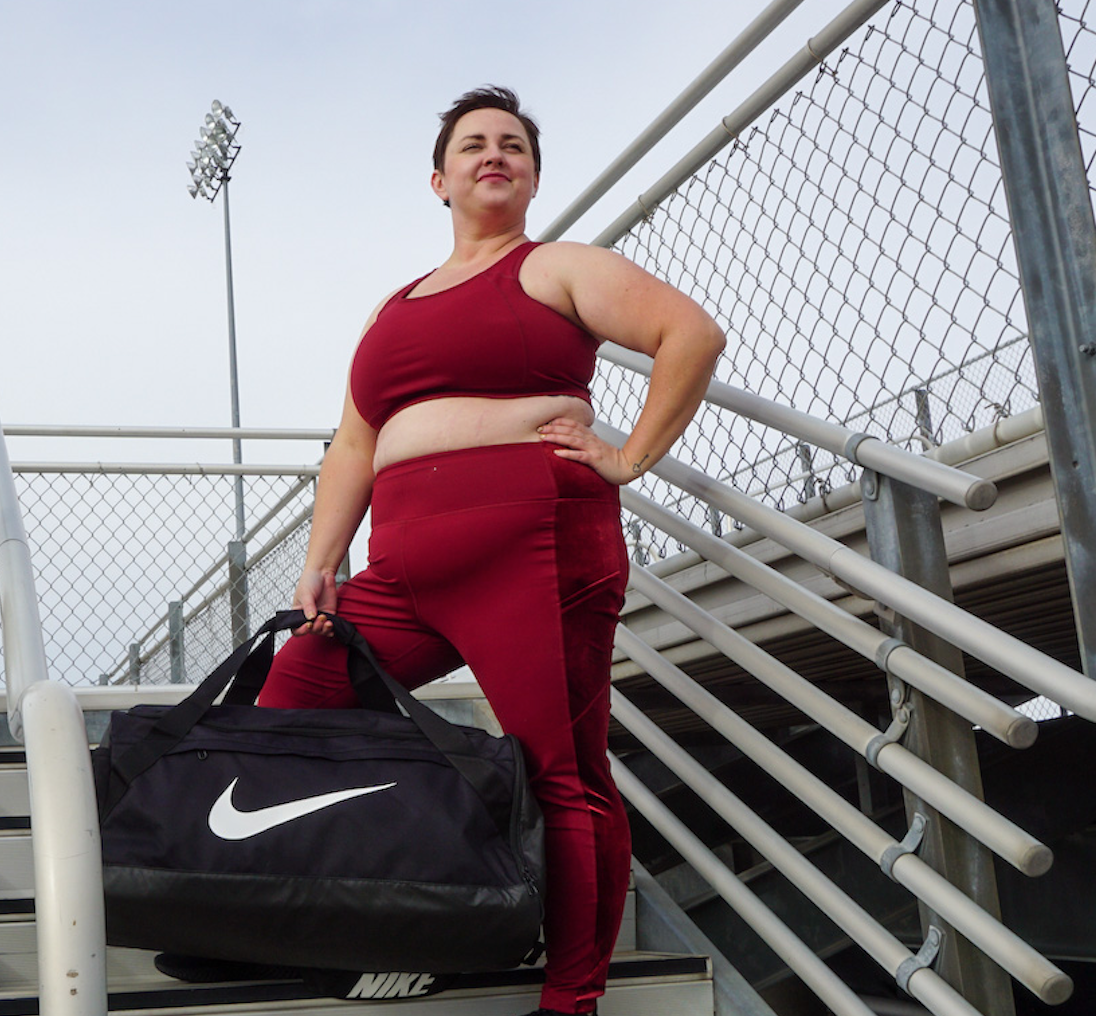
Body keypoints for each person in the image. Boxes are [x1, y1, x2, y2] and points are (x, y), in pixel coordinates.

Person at [256, 86, 726, 1016]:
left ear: (534, 175)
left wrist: (630, 457)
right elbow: (353, 443)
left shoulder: (558, 267)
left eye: (512, 144)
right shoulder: (391, 310)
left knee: (564, 770)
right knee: (293, 699)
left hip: (535, 537)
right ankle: (368, 917)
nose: (493, 154)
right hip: (402, 566)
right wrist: (324, 557)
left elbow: (691, 335)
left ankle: (570, 999)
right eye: (472, 145)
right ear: (439, 180)